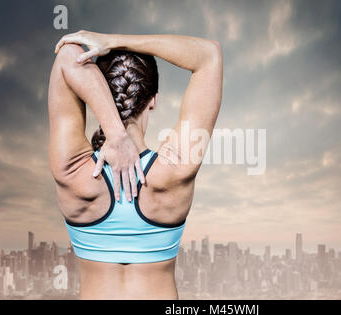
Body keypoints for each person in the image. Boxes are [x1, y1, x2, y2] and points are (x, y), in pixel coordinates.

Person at [48, 30, 222, 299]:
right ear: (153, 100)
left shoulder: (73, 171)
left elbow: (68, 55)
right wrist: (114, 41)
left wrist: (114, 132)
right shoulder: (174, 169)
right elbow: (208, 55)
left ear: (96, 93)